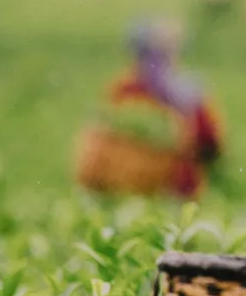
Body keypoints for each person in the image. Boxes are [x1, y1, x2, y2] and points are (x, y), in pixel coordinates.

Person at [76, 18, 222, 198]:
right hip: (171, 193)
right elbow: (211, 144)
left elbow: (90, 158)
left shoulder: (119, 91)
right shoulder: (186, 93)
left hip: (119, 195)